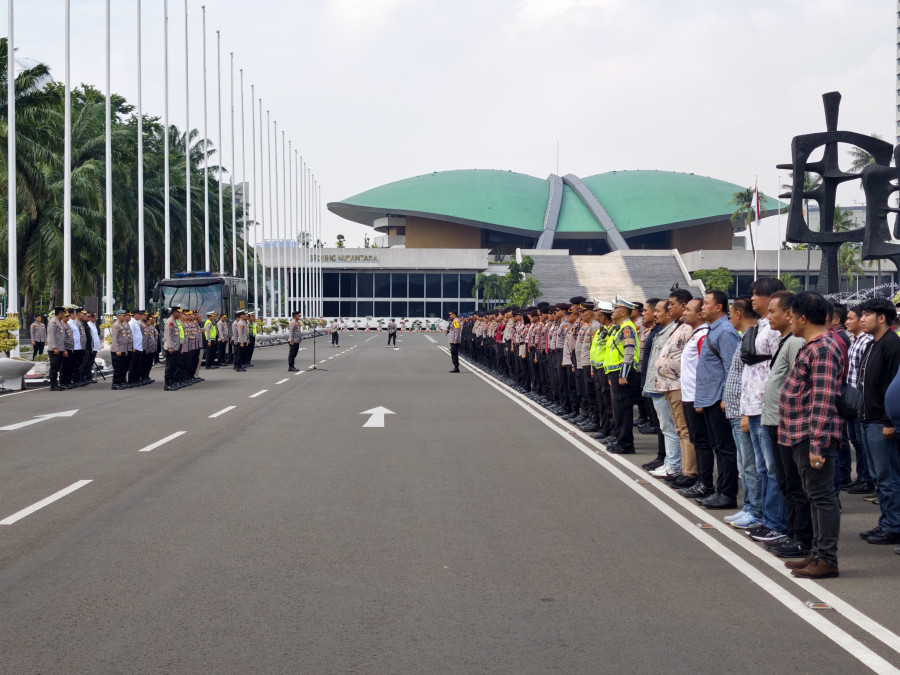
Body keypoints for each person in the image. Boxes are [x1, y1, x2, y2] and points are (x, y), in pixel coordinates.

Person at [778, 292, 844, 579]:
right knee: (814, 495)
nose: (790, 321)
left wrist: (817, 444)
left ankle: (827, 558)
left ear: (803, 318)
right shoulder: (812, 346)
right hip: (801, 433)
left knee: (822, 497)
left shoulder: (823, 349)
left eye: (791, 316)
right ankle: (817, 553)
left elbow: (822, 399)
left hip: (813, 435)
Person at [754, 291, 808, 558]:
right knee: (786, 482)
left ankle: (801, 538)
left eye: (773, 311)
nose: (769, 315)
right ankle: (790, 532)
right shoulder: (785, 341)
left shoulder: (796, 342)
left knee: (794, 483)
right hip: (776, 420)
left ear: (789, 314)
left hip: (787, 422)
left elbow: (799, 383)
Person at [857, 297, 900, 546]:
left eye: (866, 314)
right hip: (867, 418)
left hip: (882, 422)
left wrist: (889, 421)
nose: (862, 319)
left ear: (882, 318)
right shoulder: (872, 343)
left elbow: (893, 386)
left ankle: (893, 525)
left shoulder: (892, 345)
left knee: (888, 476)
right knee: (877, 476)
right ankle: (886, 522)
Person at [693, 290, 741, 509]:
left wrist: (725, 397)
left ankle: (727, 494)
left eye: (706, 304)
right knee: (718, 446)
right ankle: (720, 490)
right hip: (709, 397)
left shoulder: (725, 332)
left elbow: (731, 367)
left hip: (718, 399)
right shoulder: (714, 330)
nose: (702, 307)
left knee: (725, 447)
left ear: (719, 307)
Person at [605, 296, 641, 454]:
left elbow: (629, 353)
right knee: (618, 409)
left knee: (624, 410)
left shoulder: (627, 328)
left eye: (615, 309)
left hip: (623, 374)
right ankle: (620, 439)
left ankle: (626, 444)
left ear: (624, 311)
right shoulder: (619, 327)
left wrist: (623, 375)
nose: (612, 311)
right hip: (616, 373)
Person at [110, 309, 134, 390]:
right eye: (123, 315)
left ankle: (121, 381)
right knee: (117, 368)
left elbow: (126, 338)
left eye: (125, 315)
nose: (124, 317)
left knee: (123, 367)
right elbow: (115, 339)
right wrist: (117, 350)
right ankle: (115, 383)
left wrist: (127, 350)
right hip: (118, 350)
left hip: (124, 350)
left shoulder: (123, 325)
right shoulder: (116, 325)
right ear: (118, 316)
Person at [46, 307, 69, 391]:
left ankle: (56, 383)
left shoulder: (59, 322)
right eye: (63, 313)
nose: (64, 315)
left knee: (58, 367)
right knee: (54, 367)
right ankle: (53, 385)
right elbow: (52, 336)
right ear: (60, 313)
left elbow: (62, 337)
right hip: (54, 349)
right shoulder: (53, 322)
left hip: (60, 348)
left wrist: (64, 349)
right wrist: (55, 347)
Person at [164, 306, 184, 391]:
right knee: (170, 367)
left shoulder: (175, 321)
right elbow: (168, 335)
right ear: (175, 312)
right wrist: (170, 346)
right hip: (171, 348)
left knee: (174, 366)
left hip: (176, 347)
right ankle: (167, 384)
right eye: (179, 312)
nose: (180, 314)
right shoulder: (170, 322)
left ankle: (172, 382)